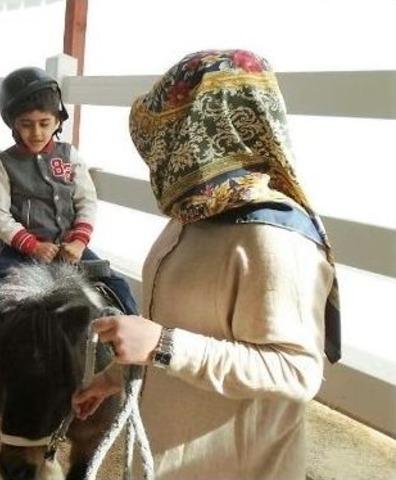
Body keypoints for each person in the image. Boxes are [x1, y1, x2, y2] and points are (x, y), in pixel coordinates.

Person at [72, 50, 341, 480]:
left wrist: (162, 345)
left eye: (171, 137)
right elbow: (181, 324)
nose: (159, 156)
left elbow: (296, 371)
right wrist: (114, 375)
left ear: (209, 133)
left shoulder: (275, 239)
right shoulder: (196, 213)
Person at [0, 66, 137, 313]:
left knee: (118, 285)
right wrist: (32, 245)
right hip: (23, 251)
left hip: (70, 248)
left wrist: (79, 242)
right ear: (13, 124)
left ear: (58, 120)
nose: (36, 133)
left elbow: (86, 201)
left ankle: (134, 337)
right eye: (26, 124)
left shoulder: (70, 156)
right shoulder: (4, 164)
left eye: (44, 123)